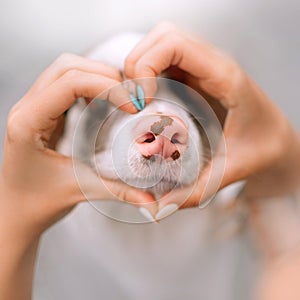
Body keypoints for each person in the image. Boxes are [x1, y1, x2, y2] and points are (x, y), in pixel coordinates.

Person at [0, 22, 299, 300]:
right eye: (100, 101)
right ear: (59, 137)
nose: (161, 130)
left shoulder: (248, 212)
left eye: (184, 95)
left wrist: (12, 223)